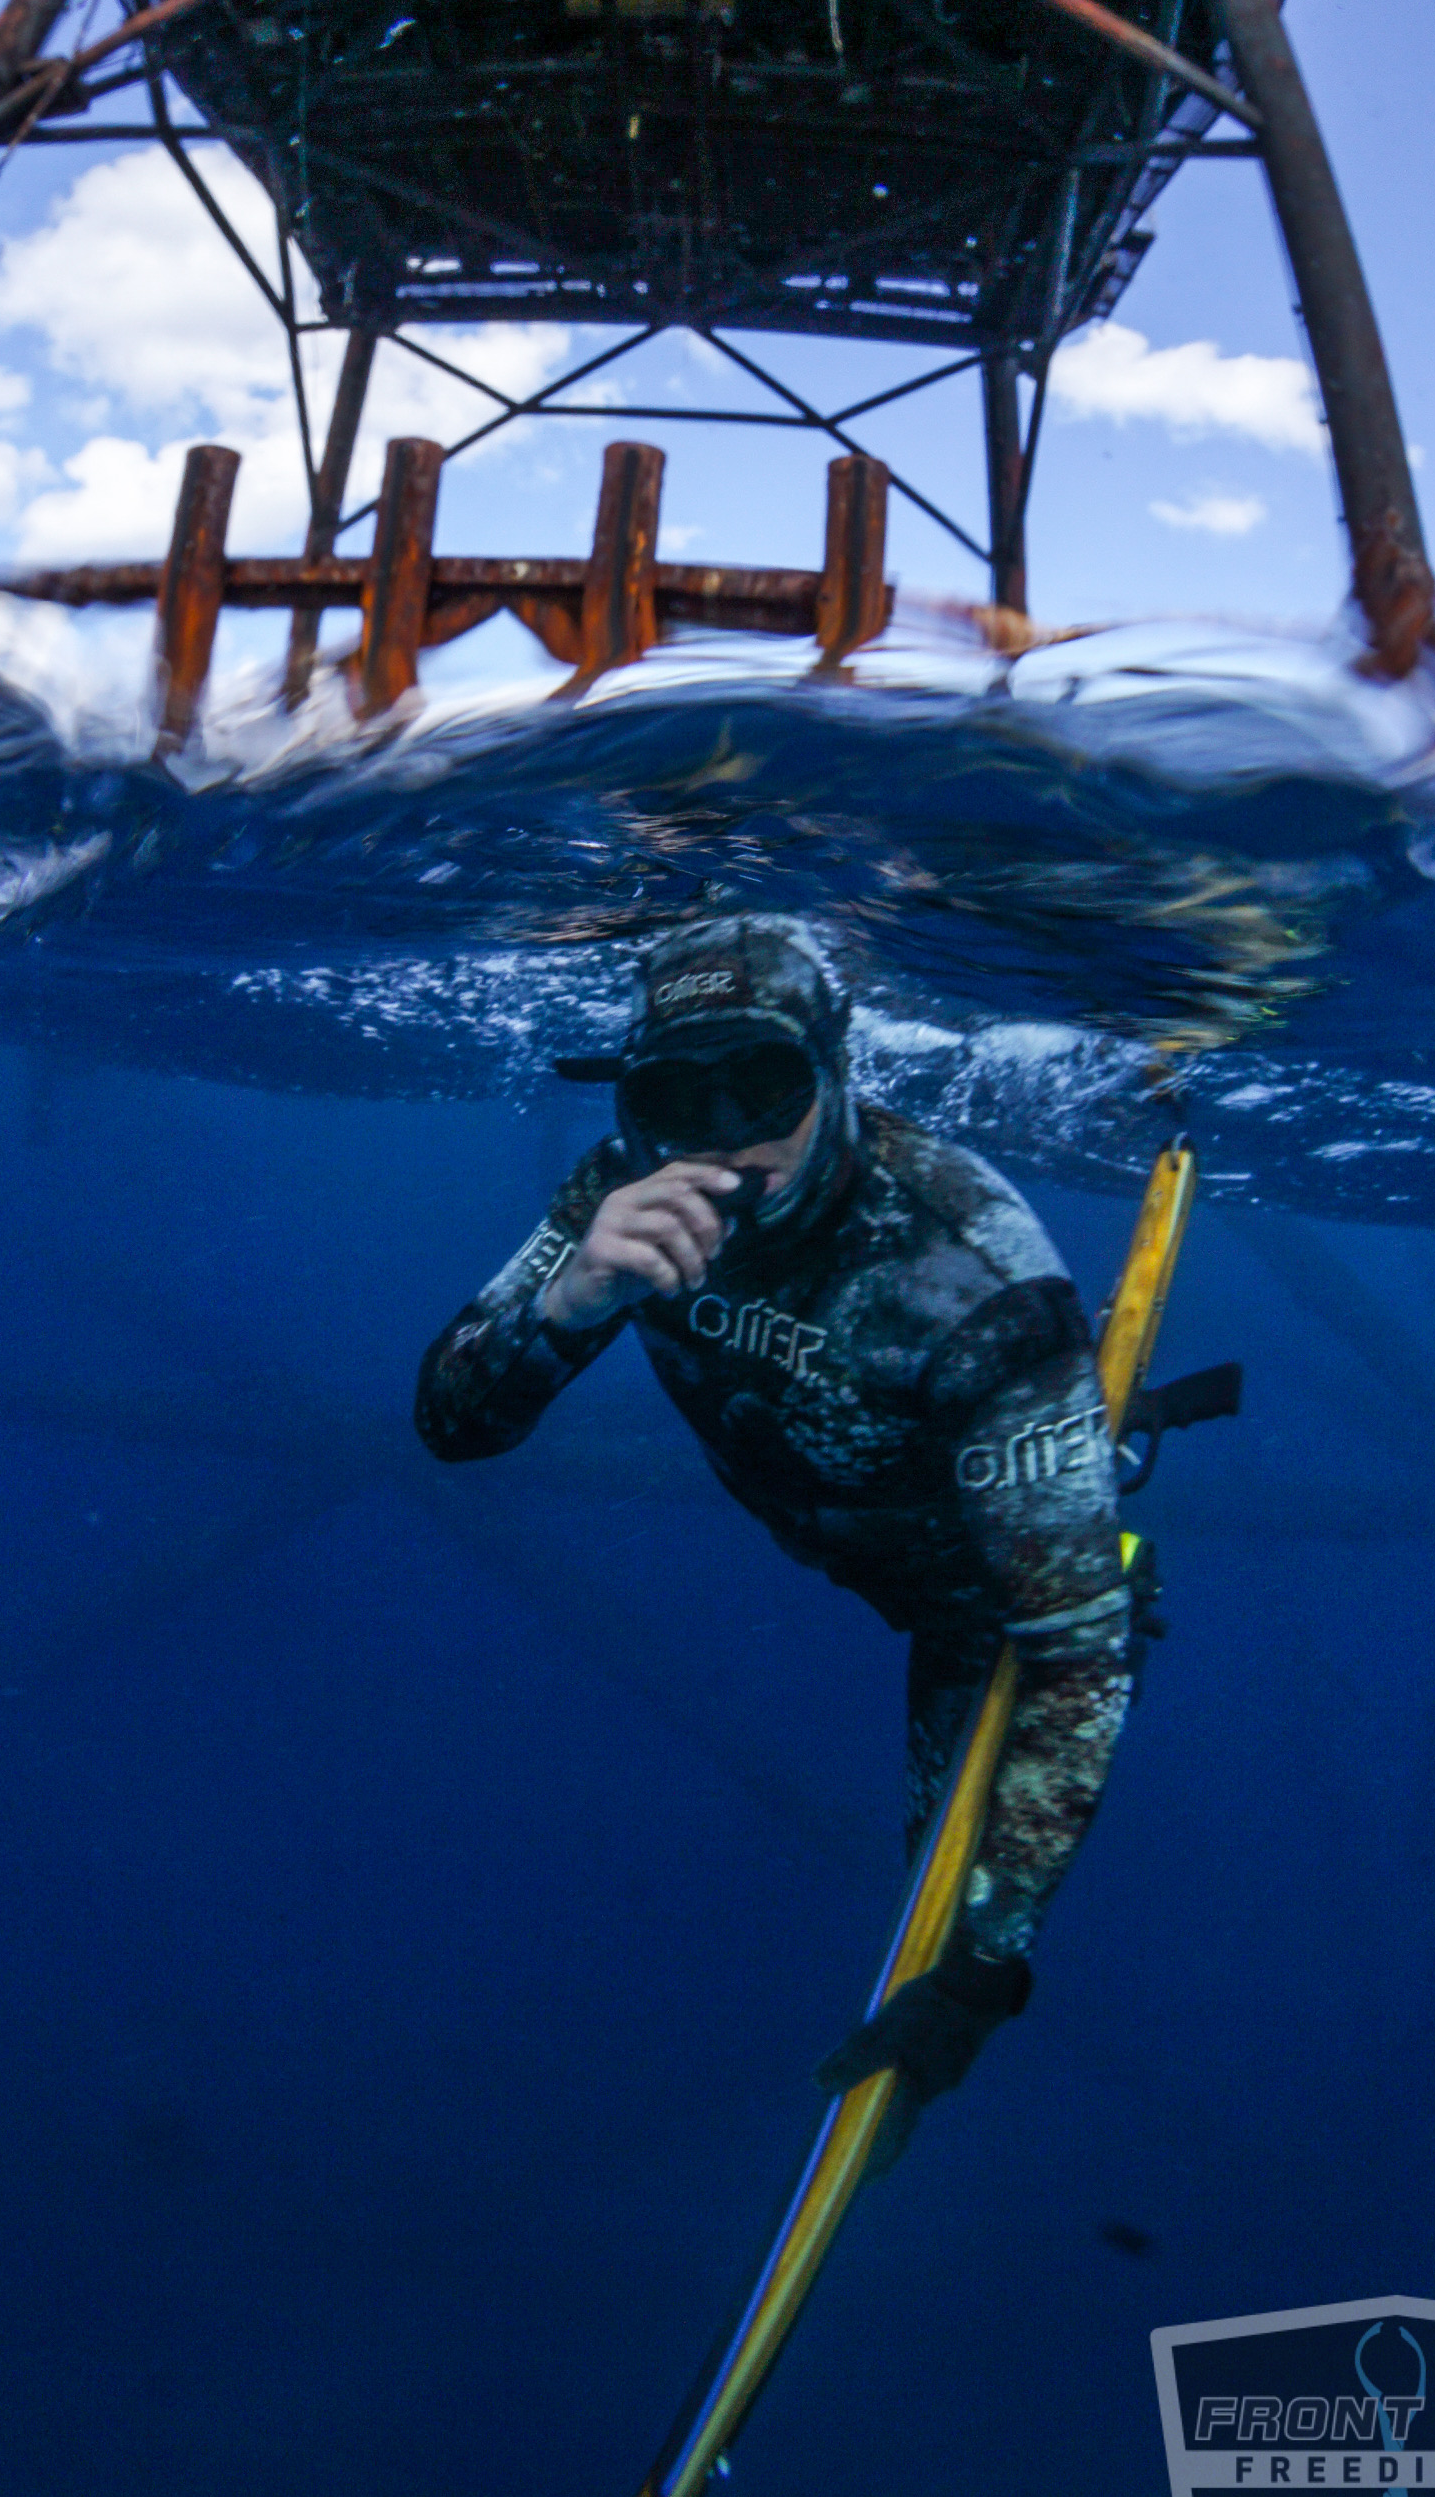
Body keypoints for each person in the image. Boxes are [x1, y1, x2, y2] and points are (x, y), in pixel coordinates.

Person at [415, 914, 1132, 2167]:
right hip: (818, 1526)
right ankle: (1074, 1460)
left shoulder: (970, 1272)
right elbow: (452, 1426)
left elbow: (1074, 1656)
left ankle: (1087, 1480)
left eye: (763, 1083)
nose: (723, 1134)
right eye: (673, 1095)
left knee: (947, 1901)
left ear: (835, 1071)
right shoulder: (618, 1190)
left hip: (966, 1598)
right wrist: (568, 1302)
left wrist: (983, 1968)